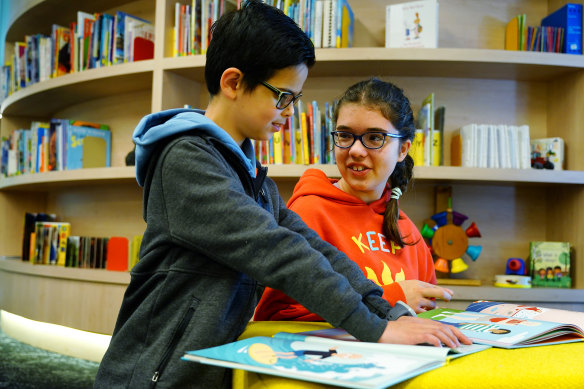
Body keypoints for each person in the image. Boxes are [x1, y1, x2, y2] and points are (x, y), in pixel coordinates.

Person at [94, 3, 469, 388]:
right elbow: (276, 251)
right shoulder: (187, 161)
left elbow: (315, 251)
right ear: (234, 83)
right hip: (153, 376)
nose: (289, 111)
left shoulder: (253, 178)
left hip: (203, 373)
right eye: (283, 96)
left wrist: (387, 312)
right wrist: (374, 329)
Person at [255, 78, 453, 322]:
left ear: (403, 150)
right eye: (345, 135)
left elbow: (425, 321)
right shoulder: (308, 213)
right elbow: (275, 315)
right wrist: (389, 299)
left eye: (374, 137)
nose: (356, 150)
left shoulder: (410, 235)